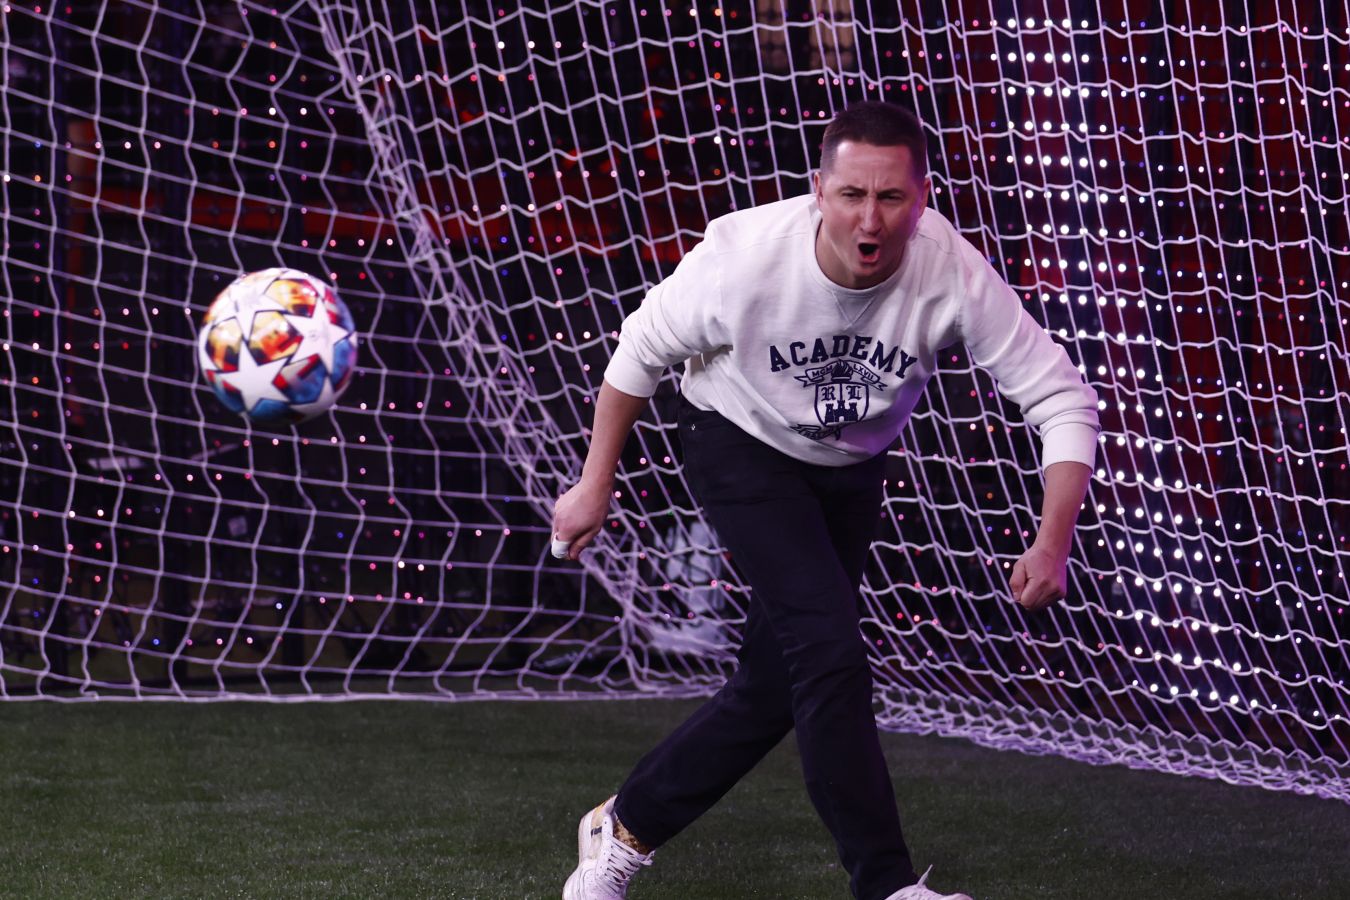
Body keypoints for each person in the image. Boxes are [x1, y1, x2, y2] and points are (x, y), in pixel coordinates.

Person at [552, 101, 1099, 900]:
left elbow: (1062, 400)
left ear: (922, 199)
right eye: (851, 195)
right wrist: (594, 481)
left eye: (891, 197)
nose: (869, 219)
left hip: (848, 467)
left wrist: (1053, 541)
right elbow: (637, 354)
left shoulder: (950, 270)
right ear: (819, 191)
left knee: (775, 685)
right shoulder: (745, 257)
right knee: (830, 653)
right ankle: (886, 886)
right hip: (735, 438)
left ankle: (624, 825)